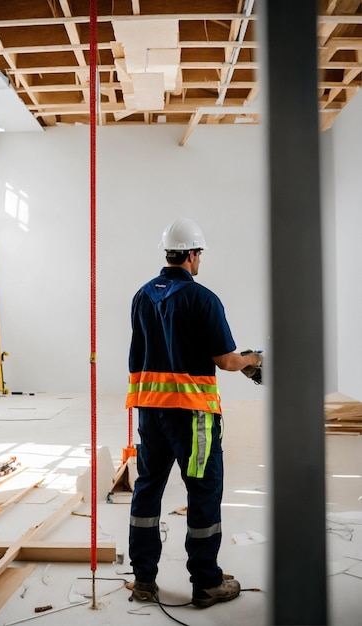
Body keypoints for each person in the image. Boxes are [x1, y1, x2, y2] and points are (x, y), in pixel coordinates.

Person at [125, 217, 262, 608]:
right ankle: (206, 582)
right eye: (199, 254)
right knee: (203, 492)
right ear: (192, 255)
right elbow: (227, 361)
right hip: (193, 416)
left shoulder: (142, 296)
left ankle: (144, 581)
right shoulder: (202, 299)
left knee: (147, 490)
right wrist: (255, 358)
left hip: (150, 412)